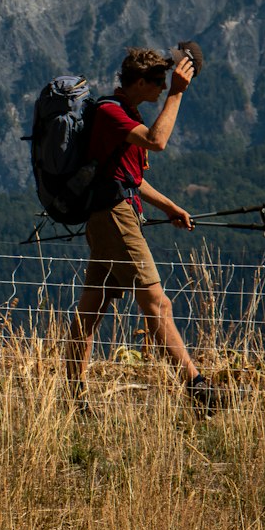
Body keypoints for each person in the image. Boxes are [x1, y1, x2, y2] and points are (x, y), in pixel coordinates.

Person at [64, 46, 224, 412]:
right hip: (115, 218)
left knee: (90, 311)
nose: (161, 87)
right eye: (157, 82)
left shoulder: (125, 113)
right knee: (157, 302)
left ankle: (74, 398)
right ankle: (197, 387)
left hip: (111, 216)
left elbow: (130, 179)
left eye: (165, 82)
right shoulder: (111, 113)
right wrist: (178, 93)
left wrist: (171, 208)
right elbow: (158, 141)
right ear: (138, 82)